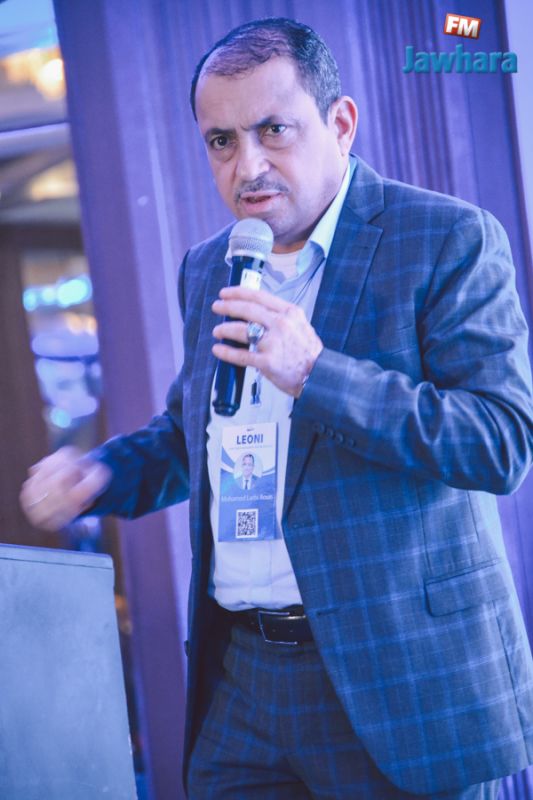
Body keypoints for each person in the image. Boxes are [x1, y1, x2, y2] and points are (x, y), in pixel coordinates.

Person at [20, 17, 533, 800]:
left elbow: (498, 442)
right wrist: (101, 473)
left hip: (392, 677)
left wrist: (316, 372)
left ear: (340, 123)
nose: (247, 164)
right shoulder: (212, 267)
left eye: (273, 130)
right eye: (221, 141)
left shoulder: (445, 238)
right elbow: (193, 435)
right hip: (241, 680)